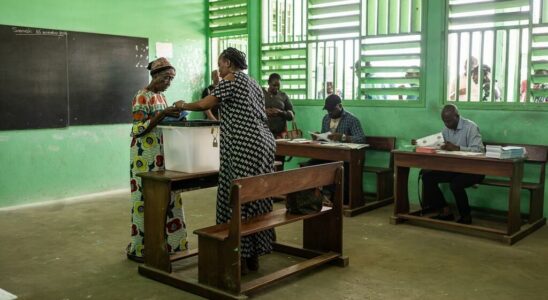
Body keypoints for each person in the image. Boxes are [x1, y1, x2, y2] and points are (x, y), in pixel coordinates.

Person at [176, 47, 276, 273]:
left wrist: (182, 105)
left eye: (220, 64)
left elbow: (204, 105)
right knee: (256, 197)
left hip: (243, 144)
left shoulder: (231, 81)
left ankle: (237, 258)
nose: (219, 69)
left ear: (229, 63)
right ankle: (254, 256)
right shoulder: (252, 82)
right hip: (264, 142)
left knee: (234, 198)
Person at [128, 57, 189, 262]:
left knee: (168, 196)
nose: (168, 83)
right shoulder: (141, 96)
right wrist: (162, 114)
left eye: (171, 79)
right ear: (154, 76)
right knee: (145, 199)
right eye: (165, 78)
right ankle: (141, 248)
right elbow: (138, 129)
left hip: (163, 154)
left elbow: (162, 121)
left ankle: (172, 243)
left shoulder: (162, 97)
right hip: (144, 156)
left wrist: (176, 116)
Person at [421, 104, 485, 225]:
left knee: (456, 184)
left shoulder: (471, 127)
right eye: (444, 121)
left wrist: (457, 148)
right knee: (427, 177)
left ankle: (466, 216)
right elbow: (443, 148)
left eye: (449, 121)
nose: (447, 124)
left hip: (474, 169)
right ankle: (445, 211)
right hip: (454, 168)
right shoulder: (445, 130)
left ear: (457, 116)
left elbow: (479, 151)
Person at [308, 94, 366, 204]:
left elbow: (361, 139)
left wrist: (343, 137)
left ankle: (334, 198)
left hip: (345, 158)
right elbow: (325, 138)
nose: (329, 113)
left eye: (332, 110)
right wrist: (318, 137)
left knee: (338, 168)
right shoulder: (326, 119)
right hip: (328, 155)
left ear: (339, 106)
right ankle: (315, 197)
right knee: (310, 165)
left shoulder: (351, 119)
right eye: (327, 110)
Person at [264, 73, 294, 138]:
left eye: (278, 86)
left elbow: (291, 115)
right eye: (274, 85)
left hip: (280, 134)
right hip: (263, 133)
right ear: (268, 83)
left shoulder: (283, 96)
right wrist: (264, 111)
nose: (276, 88)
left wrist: (280, 112)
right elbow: (253, 110)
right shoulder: (261, 93)